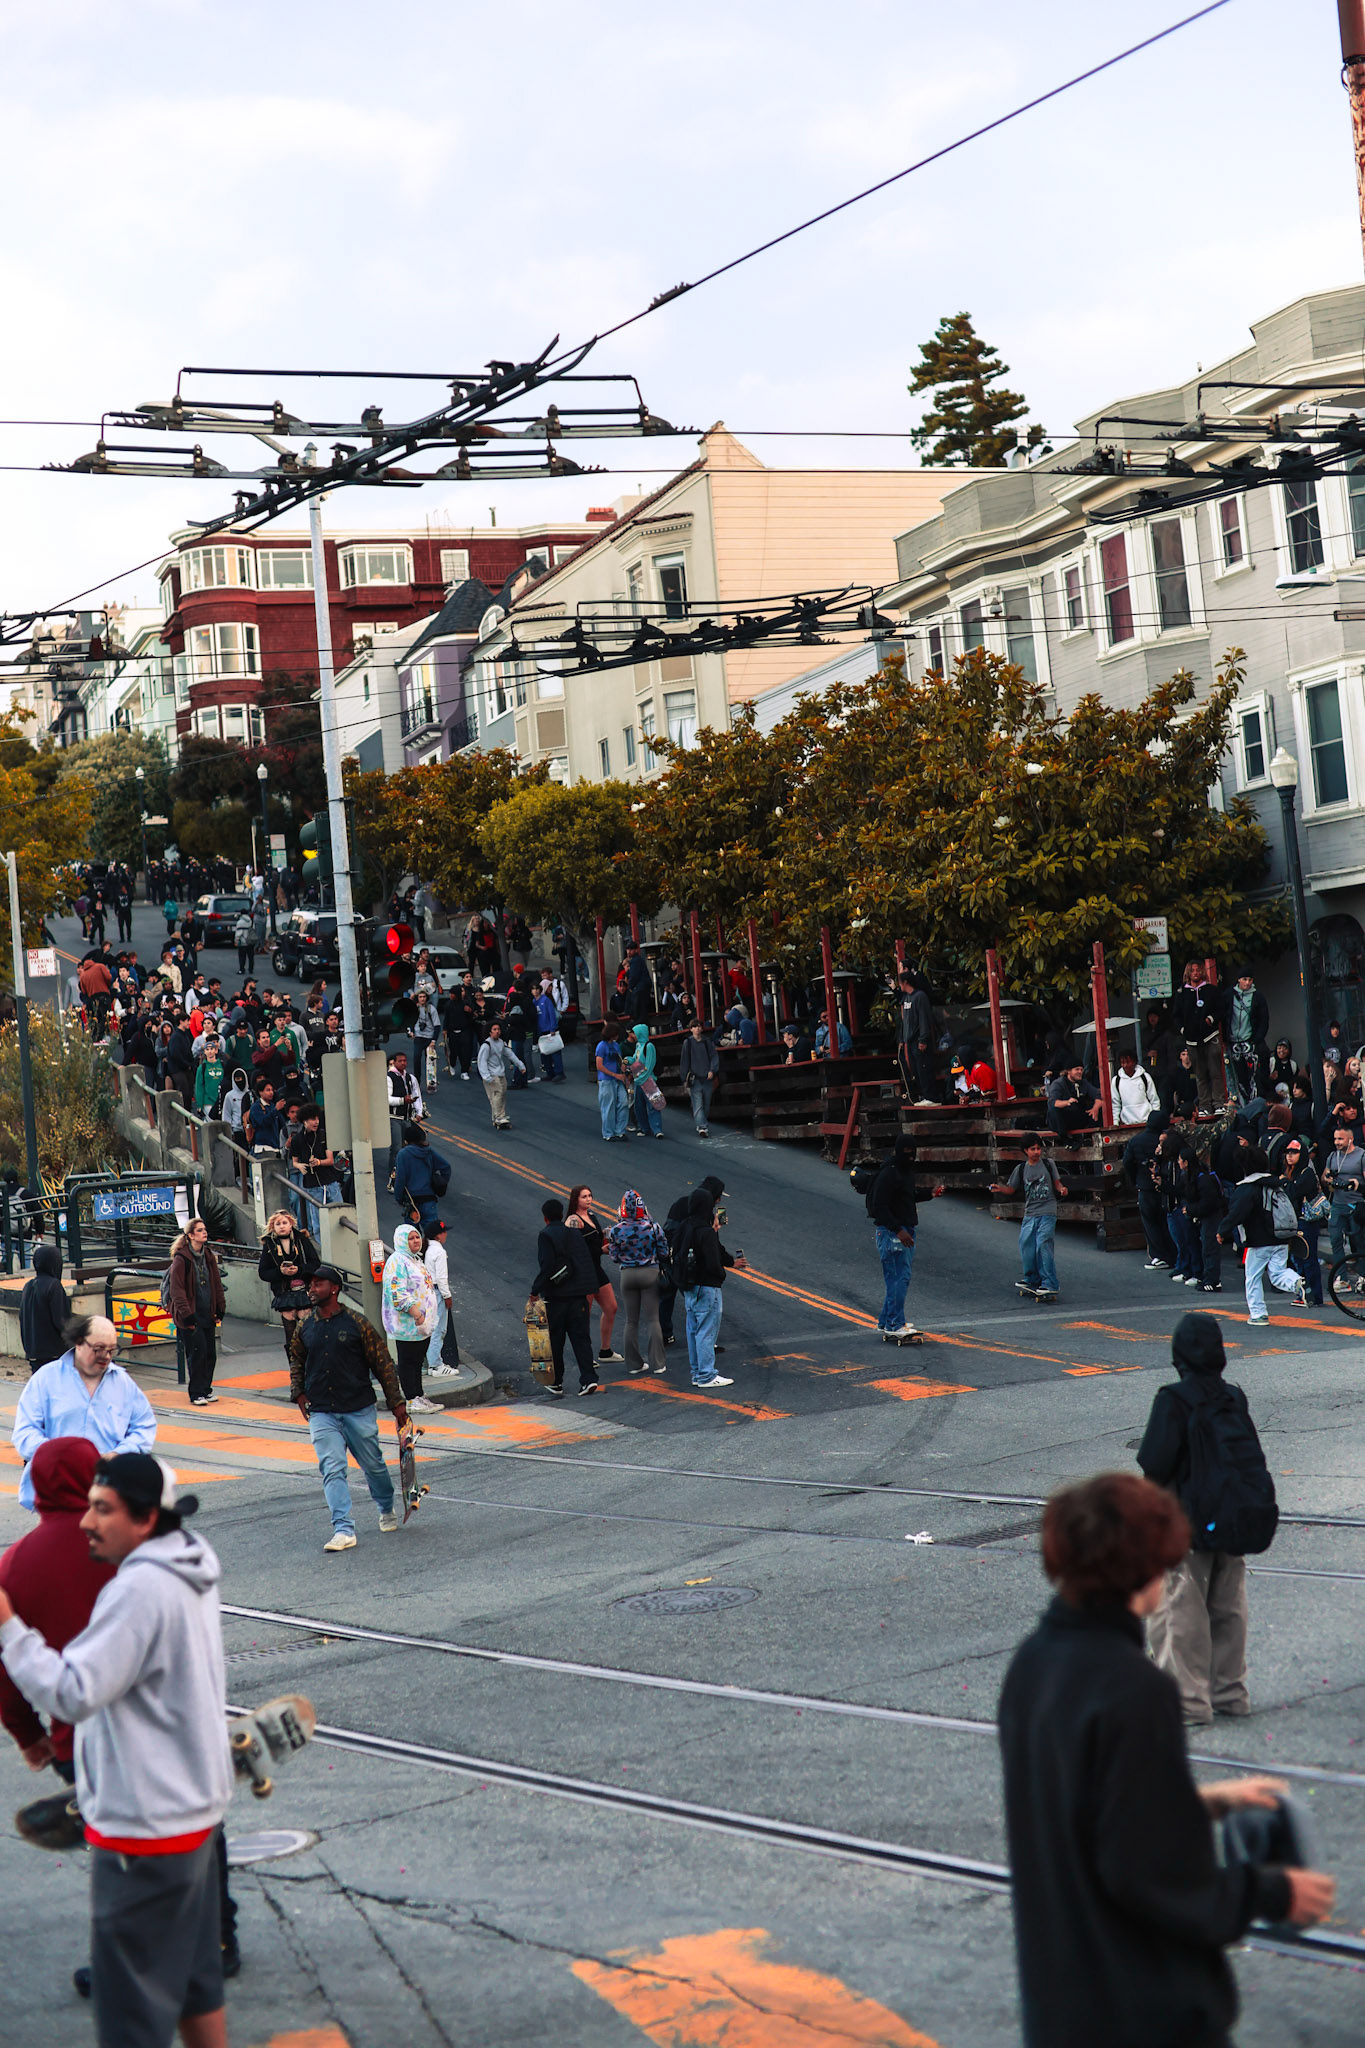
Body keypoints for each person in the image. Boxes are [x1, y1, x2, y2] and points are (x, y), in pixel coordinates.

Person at [998, 1470, 1334, 2048]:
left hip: (1061, 2000)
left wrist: (1195, 1803)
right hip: (1140, 2007)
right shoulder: (1133, 1687)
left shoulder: (1034, 1663)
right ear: (1144, 1567)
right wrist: (1271, 1892)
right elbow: (1150, 1874)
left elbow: (1082, 1810)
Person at [0, 1451, 237, 2048]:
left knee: (131, 2012)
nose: (86, 1522)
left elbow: (72, 1693)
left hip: (144, 1828)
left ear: (144, 1519)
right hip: (194, 1813)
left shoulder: (138, 1590)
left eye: (103, 1510)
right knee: (194, 1983)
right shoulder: (189, 1559)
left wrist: (7, 1624)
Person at [1138, 1313, 1276, 1724]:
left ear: (1178, 1354)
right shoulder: (1233, 1397)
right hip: (1232, 1515)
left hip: (1186, 1521)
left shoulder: (1174, 1399)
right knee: (1228, 1604)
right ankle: (1230, 1694)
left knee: (1182, 1609)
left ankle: (1188, 1702)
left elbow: (1155, 1462)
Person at [289, 1265, 409, 1550]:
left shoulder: (358, 1323)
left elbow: (382, 1363)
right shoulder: (305, 1327)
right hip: (322, 1411)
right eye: (311, 1284)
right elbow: (296, 1358)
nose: (312, 1289)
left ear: (334, 1289)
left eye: (318, 1284)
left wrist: (397, 1405)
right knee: (332, 1468)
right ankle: (343, 1529)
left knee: (374, 1466)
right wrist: (299, 1392)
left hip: (358, 1408)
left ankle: (386, 1506)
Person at [12, 1316, 156, 1511]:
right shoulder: (46, 1378)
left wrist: (119, 1454)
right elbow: (25, 1432)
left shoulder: (123, 1382)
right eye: (98, 1349)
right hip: (59, 1490)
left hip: (109, 1491)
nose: (106, 1356)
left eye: (111, 1350)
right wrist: (59, 1458)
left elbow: (144, 1426)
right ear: (79, 1342)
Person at [1218, 1144, 1307, 1325]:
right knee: (1278, 1273)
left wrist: (1222, 1230)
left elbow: (1236, 1213)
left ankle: (1258, 1314)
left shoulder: (1247, 1188)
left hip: (1258, 1240)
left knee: (1253, 1277)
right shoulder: (1276, 1184)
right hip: (1281, 1236)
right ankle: (1295, 1281)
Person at [868, 1135, 944, 1339]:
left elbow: (908, 1196)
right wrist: (898, 1230)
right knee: (899, 1278)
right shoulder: (890, 1173)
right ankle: (895, 1323)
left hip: (904, 1230)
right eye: (907, 1152)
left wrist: (930, 1194)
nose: (911, 1156)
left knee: (897, 1277)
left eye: (913, 1152)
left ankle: (887, 1320)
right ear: (899, 1151)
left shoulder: (905, 1172)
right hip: (893, 1233)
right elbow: (879, 1206)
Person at [673, 1187, 748, 1388]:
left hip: (688, 1284)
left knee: (693, 1331)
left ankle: (697, 1373)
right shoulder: (706, 1232)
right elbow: (713, 1262)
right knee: (706, 1331)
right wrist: (720, 1275)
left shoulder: (685, 1225)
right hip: (706, 1286)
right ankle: (707, 1375)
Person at [529, 1198, 600, 1397]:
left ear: (545, 1218)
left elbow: (547, 1266)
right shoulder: (574, 1233)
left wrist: (535, 1291)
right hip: (578, 1296)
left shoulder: (546, 1235)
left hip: (557, 1298)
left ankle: (556, 1382)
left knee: (556, 1341)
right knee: (581, 1339)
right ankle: (589, 1379)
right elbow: (584, 1260)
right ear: (562, 1215)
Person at [991, 1136, 1067, 1302]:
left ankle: (1049, 1283)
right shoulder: (1021, 1169)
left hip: (1048, 1211)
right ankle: (1032, 1279)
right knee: (1026, 1245)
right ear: (1025, 1151)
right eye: (1033, 1149)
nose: (1037, 1152)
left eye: (1038, 1148)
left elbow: (1057, 1183)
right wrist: (1000, 1189)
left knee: (1043, 1245)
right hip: (1030, 1213)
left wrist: (1062, 1189)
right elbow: (1011, 1189)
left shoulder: (1048, 1164)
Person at [606, 1190, 670, 1376]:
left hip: (627, 1275)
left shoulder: (616, 1230)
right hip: (649, 1272)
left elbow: (614, 1257)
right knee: (653, 1319)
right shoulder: (652, 1227)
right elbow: (664, 1252)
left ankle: (634, 1364)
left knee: (631, 1321)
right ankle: (658, 1363)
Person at [381, 1224, 442, 1414]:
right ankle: (411, 1398)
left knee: (417, 1360)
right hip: (408, 1323)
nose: (416, 1241)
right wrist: (417, 1314)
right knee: (408, 1361)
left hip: (421, 1324)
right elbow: (397, 1293)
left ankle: (418, 1395)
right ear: (401, 1241)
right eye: (410, 1238)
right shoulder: (397, 1261)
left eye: (417, 1237)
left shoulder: (415, 1259)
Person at [167, 1220, 226, 1406]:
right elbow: (177, 1290)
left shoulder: (208, 1255)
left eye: (205, 1229)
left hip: (207, 1312)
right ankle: (196, 1393)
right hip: (191, 1315)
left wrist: (220, 1308)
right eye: (200, 1230)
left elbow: (216, 1283)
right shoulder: (182, 1258)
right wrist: (187, 1315)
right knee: (197, 1354)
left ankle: (206, 1390)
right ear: (191, 1235)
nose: (204, 1233)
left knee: (210, 1354)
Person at [564, 1183, 620, 1364]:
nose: (588, 1199)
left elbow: (595, 1240)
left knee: (611, 1307)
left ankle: (605, 1351)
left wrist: (606, 1235)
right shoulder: (573, 1220)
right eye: (584, 1197)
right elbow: (574, 1249)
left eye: (590, 1196)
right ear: (576, 1200)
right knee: (584, 1316)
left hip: (596, 1269)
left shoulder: (592, 1216)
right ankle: (585, 1356)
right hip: (582, 1273)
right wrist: (600, 1250)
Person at [257, 1209, 319, 1360]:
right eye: (278, 1224)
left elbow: (315, 1263)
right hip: (284, 1291)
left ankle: (310, 1363)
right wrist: (281, 1272)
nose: (282, 1226)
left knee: (306, 1327)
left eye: (284, 1223)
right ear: (273, 1227)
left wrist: (300, 1269)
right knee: (290, 1332)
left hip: (303, 1289)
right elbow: (263, 1272)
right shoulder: (269, 1244)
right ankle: (295, 1365)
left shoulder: (302, 1240)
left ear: (291, 1224)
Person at [1172, 959, 1228, 1116]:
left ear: (1202, 972)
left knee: (1215, 1072)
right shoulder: (1182, 993)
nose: (1195, 973)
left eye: (1198, 970)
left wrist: (1211, 1019)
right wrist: (1183, 1029)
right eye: (1192, 970)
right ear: (1188, 973)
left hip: (1211, 1036)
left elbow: (1221, 1009)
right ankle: (1204, 1106)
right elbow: (1176, 1015)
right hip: (1192, 1039)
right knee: (1200, 1075)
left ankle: (1219, 1103)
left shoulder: (1212, 990)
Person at [1282, 1135, 1325, 1305]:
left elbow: (1292, 1193)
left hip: (1306, 1221)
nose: (1290, 1156)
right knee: (1297, 1258)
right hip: (1293, 1220)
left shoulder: (1306, 1173)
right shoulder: (1291, 1172)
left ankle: (1314, 1296)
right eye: (1288, 1152)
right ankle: (1304, 1294)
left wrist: (1284, 1183)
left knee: (1308, 1258)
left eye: (1294, 1152)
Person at [19, 1243, 69, 1375]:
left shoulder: (28, 1285)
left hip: (33, 1349)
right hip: (52, 1351)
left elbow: (22, 1316)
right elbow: (61, 1320)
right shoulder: (54, 1286)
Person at [393, 1119, 452, 1230]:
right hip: (429, 1199)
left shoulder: (403, 1154)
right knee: (432, 1233)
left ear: (406, 1140)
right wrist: (440, 1183)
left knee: (413, 1234)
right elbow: (446, 1167)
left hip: (411, 1202)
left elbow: (400, 1179)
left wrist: (398, 1197)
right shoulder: (428, 1151)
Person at [1322, 1119, 1365, 1267]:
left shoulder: (1361, 1156)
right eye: (1335, 1139)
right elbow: (1324, 1177)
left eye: (1340, 1139)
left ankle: (1362, 1274)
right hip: (1337, 1204)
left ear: (1350, 1139)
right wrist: (1328, 1179)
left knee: (1359, 1242)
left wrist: (1357, 1184)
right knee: (1335, 1240)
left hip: (1356, 1205)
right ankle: (1340, 1275)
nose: (1337, 1142)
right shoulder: (1333, 1156)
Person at [1225, 967, 1270, 1104]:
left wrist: (1257, 1039)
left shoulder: (1258, 996)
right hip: (1233, 1041)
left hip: (1250, 1041)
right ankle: (1242, 1103)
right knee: (1238, 1076)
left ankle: (1255, 1103)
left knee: (1254, 1076)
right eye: (1245, 979)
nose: (1248, 982)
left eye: (1250, 980)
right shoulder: (1228, 995)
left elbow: (1264, 1019)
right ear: (1239, 980)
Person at [422, 1218, 460, 1378]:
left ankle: (432, 1364)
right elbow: (442, 1278)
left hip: (428, 1292)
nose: (446, 1235)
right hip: (437, 1292)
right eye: (444, 1232)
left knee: (432, 1329)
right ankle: (436, 1365)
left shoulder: (427, 1250)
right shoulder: (439, 1252)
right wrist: (447, 1296)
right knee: (439, 1330)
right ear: (438, 1236)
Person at [895, 971, 936, 1102]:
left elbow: (924, 1018)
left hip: (919, 1039)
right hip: (909, 1040)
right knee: (915, 1070)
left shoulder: (920, 996)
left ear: (905, 982)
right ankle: (923, 1095)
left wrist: (923, 1039)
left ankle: (931, 1096)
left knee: (924, 1068)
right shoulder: (906, 998)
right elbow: (905, 1021)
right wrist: (902, 1039)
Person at [477, 1020, 524, 1130]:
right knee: (497, 1094)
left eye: (498, 1029)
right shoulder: (486, 1045)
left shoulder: (501, 1043)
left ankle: (499, 1116)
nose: (497, 1031)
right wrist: (486, 1076)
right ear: (489, 1032)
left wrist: (520, 1065)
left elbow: (510, 1054)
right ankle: (499, 1116)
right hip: (491, 1075)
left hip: (500, 1073)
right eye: (494, 1029)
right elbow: (481, 1061)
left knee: (502, 1095)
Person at [679, 1018, 719, 1136]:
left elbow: (714, 1056)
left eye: (699, 1026)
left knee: (706, 1103)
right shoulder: (688, 1043)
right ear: (691, 1029)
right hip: (694, 1078)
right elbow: (684, 1061)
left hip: (707, 1077)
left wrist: (712, 1070)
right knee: (698, 1103)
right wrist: (684, 1077)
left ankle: (702, 1122)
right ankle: (702, 1127)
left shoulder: (707, 1042)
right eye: (694, 1027)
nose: (697, 1028)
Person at [1044, 1061, 1100, 1142]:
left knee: (1097, 1106)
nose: (1080, 1072)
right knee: (1054, 1111)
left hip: (1077, 1116)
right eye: (1077, 1069)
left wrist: (1095, 1108)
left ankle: (1089, 1137)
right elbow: (1053, 1102)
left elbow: (1098, 1095)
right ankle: (1065, 1140)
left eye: (1081, 1069)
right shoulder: (1058, 1083)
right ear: (1069, 1071)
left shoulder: (1083, 1082)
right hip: (1064, 1118)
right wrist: (1067, 1102)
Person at [593, 1024, 631, 1141]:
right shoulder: (601, 1046)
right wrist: (615, 1075)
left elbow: (619, 1061)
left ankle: (620, 1131)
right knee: (608, 1106)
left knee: (624, 1102)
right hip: (606, 1079)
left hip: (617, 1079)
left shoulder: (616, 1045)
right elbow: (599, 1065)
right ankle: (608, 1133)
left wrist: (623, 1072)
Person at [627, 1022, 664, 1137]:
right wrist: (627, 1060)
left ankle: (657, 1129)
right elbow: (635, 1059)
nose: (633, 1035)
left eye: (635, 1033)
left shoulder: (649, 1046)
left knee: (654, 1105)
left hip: (648, 1080)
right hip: (639, 1080)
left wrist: (642, 1077)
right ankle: (645, 1128)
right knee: (639, 1106)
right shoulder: (638, 1046)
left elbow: (650, 1064)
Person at [1111, 1049, 1159, 1126]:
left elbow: (1154, 1100)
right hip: (1126, 1124)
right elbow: (1115, 1104)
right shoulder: (1116, 1080)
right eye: (1122, 1063)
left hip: (1147, 1122)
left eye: (1128, 1062)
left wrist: (1155, 1120)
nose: (1125, 1065)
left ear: (1134, 1062)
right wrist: (1115, 1123)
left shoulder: (1145, 1077)